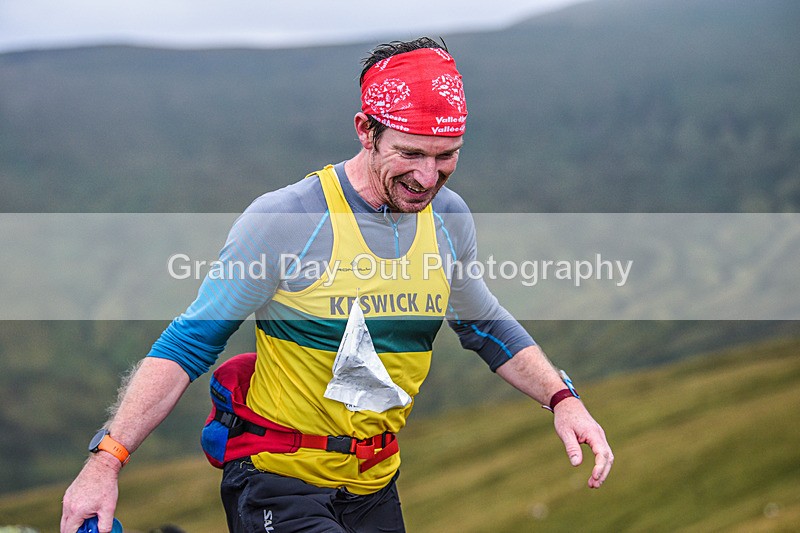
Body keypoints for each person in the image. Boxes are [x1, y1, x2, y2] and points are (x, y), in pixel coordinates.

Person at [61, 37, 613, 533]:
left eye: (446, 156)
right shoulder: (288, 220)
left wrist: (562, 399)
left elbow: (483, 324)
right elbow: (188, 343)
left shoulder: (449, 218)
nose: (428, 177)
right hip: (277, 479)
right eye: (410, 153)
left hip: (375, 484)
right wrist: (105, 462)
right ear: (365, 131)